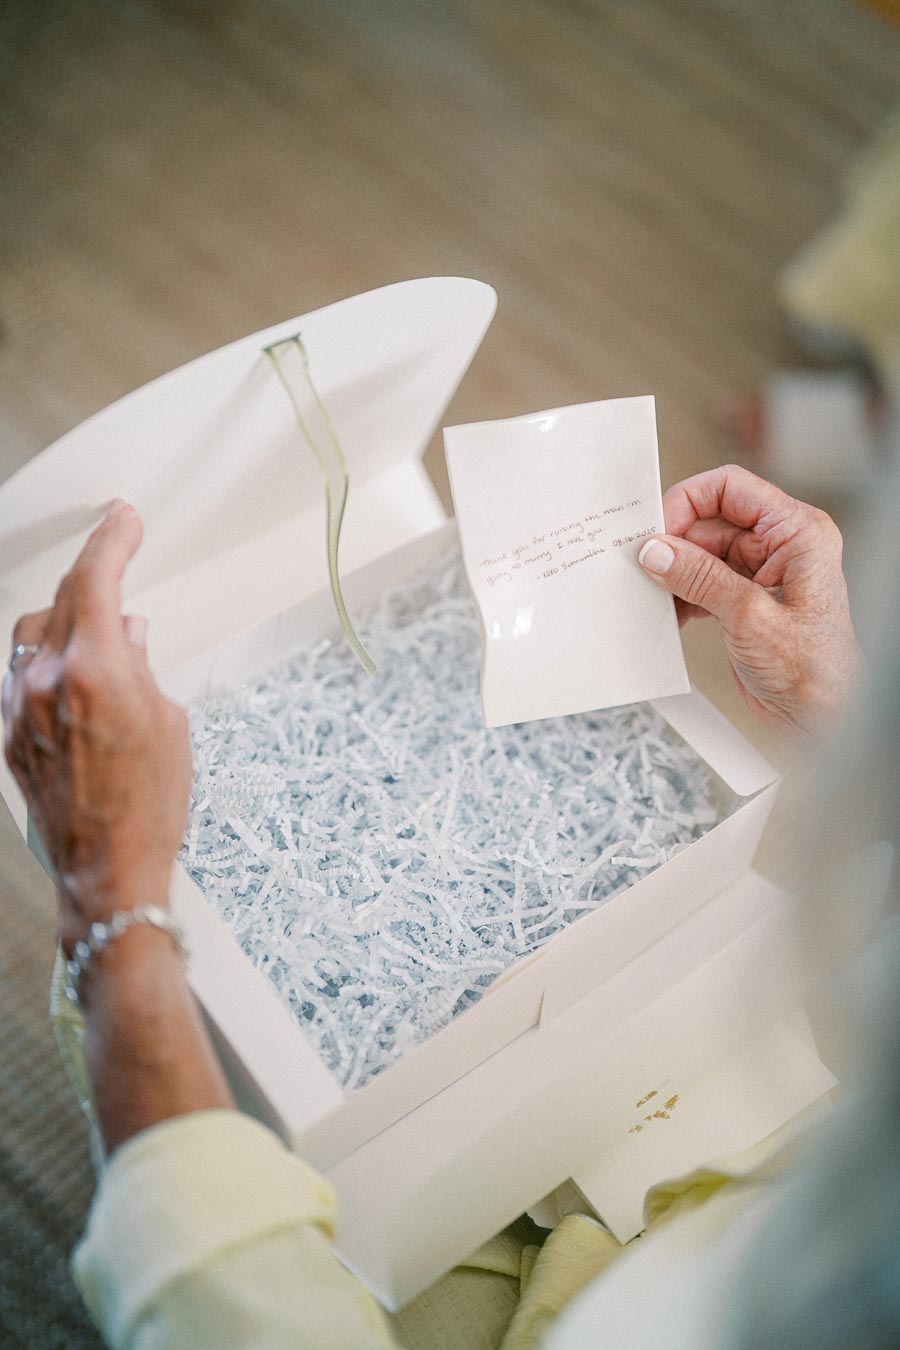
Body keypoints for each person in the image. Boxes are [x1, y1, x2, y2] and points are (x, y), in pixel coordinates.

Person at [2, 463, 882, 1350]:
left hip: (572, 1289)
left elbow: (253, 1319)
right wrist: (835, 689)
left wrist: (109, 890)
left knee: (135, 1021)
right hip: (791, 1096)